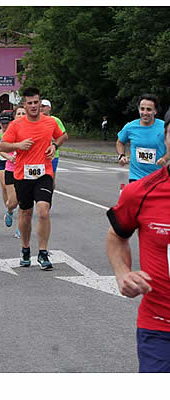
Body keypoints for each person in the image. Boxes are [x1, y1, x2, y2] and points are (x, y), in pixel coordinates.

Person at [106, 108, 170, 372]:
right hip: (160, 327)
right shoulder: (140, 193)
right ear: (165, 138)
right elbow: (116, 236)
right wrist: (122, 273)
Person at [0, 87, 67, 270]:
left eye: (36, 102)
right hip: (22, 174)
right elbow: (2, 147)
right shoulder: (16, 125)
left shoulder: (50, 122)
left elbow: (62, 136)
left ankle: (43, 252)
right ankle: (25, 248)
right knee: (26, 213)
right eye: (30, 103)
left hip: (44, 173)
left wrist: (54, 146)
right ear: (24, 105)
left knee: (44, 211)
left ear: (40, 103)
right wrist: (19, 145)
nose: (34, 106)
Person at [116, 94, 167, 182]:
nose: (145, 113)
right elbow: (120, 142)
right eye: (142, 109)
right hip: (136, 177)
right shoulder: (130, 127)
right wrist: (121, 155)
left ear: (155, 111)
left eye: (149, 109)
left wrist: (165, 158)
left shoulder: (164, 127)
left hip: (158, 177)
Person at [4, 106, 26, 239]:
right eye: (19, 113)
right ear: (14, 116)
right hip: (11, 169)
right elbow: (1, 149)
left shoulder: (32, 129)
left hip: (25, 170)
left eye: (23, 113)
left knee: (24, 202)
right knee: (13, 201)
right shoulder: (11, 129)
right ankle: (9, 210)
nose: (21, 115)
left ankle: (20, 229)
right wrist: (9, 157)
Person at [40, 99, 66, 191]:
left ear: (49, 108)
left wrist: (55, 145)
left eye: (44, 106)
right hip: (38, 155)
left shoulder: (55, 120)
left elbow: (64, 136)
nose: (41, 108)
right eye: (40, 106)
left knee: (50, 180)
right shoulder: (35, 119)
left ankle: (48, 200)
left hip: (52, 155)